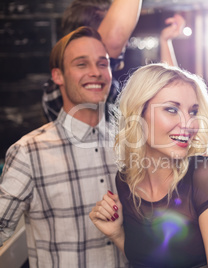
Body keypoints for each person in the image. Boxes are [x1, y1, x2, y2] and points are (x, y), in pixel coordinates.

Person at [0, 27, 128, 267]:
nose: (95, 73)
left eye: (103, 64)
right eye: (81, 64)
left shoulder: (130, 142)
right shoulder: (29, 152)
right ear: (57, 76)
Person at [89, 63, 208, 267]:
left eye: (193, 112)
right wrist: (117, 234)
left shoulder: (203, 176)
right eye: (171, 109)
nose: (187, 124)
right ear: (139, 113)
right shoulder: (125, 180)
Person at [43, 0, 142, 122]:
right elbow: (114, 40)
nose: (125, 43)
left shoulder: (110, 86)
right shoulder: (57, 89)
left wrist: (165, 41)